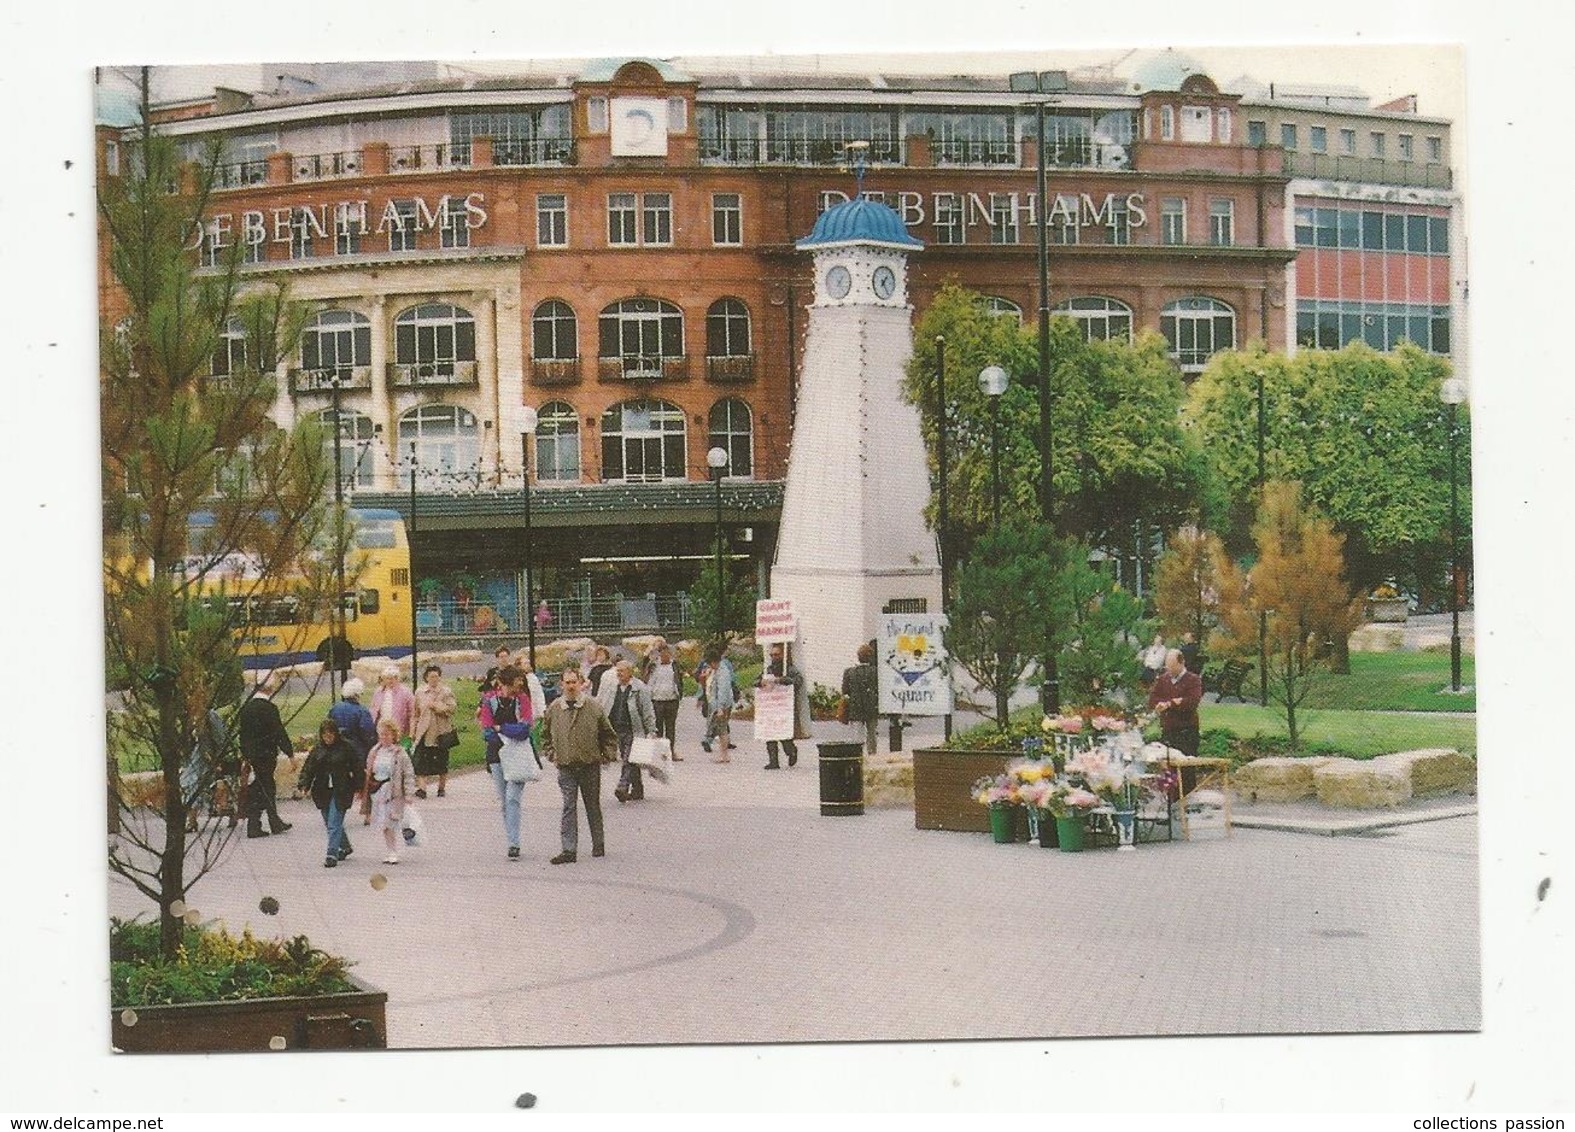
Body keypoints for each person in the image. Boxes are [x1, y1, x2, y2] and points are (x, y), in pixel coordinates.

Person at [539, 667, 618, 864]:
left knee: (592, 805)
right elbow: (545, 736)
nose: (571, 686)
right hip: (566, 766)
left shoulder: (593, 707)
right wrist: (552, 754)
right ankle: (569, 849)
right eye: (567, 682)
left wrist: (605, 755)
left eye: (574, 682)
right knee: (568, 806)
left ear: (581, 683)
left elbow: (608, 734)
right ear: (562, 684)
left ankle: (598, 843)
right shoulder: (555, 708)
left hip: (589, 764)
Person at [479, 665, 535, 860]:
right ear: (505, 683)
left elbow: (525, 729)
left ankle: (514, 843)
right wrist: (508, 730)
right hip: (497, 755)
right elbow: (487, 732)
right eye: (516, 682)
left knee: (512, 798)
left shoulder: (522, 700)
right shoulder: (489, 701)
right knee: (504, 800)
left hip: (518, 755)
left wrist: (500, 727)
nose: (520, 685)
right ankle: (512, 838)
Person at [297, 718, 363, 868]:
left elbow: (357, 767)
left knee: (334, 821)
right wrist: (304, 784)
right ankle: (345, 846)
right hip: (322, 789)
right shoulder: (318, 750)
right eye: (325, 735)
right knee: (330, 821)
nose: (328, 738)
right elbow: (309, 768)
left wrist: (359, 787)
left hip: (342, 789)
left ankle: (331, 853)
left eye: (330, 735)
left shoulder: (346, 748)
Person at [235, 672, 293, 839]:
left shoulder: (246, 708)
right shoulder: (269, 709)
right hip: (266, 755)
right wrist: (289, 753)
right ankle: (262, 823)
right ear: (268, 689)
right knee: (265, 788)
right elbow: (278, 732)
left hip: (252, 755)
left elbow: (243, 734)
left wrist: (246, 754)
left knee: (261, 787)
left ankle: (266, 822)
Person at [598, 659, 657, 802]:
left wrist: (651, 730)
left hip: (633, 729)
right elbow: (605, 704)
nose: (619, 673)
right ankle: (638, 789)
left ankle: (622, 786)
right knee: (632, 759)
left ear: (630, 672)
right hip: (616, 728)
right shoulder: (613, 687)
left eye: (622, 671)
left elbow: (647, 710)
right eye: (617, 671)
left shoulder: (639, 688)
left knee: (629, 758)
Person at [363, 717, 416, 864]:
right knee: (384, 824)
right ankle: (390, 849)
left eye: (387, 734)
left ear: (393, 735)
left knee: (390, 823)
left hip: (393, 792)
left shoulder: (400, 753)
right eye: (381, 734)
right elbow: (369, 771)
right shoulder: (374, 751)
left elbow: (409, 773)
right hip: (378, 792)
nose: (384, 737)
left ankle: (393, 851)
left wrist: (409, 793)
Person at [411, 664, 458, 799]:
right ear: (426, 677)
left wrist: (437, 706)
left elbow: (452, 708)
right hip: (424, 731)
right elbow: (415, 713)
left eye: (436, 676)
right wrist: (413, 731)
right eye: (431, 676)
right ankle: (422, 789)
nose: (434, 679)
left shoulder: (446, 691)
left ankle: (441, 788)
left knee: (441, 761)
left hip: (440, 732)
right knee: (420, 761)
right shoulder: (420, 692)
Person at [181, 706, 231, 832]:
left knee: (209, 787)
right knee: (190, 785)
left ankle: (229, 811)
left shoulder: (210, 715)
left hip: (207, 757)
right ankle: (192, 821)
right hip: (195, 757)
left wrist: (216, 758)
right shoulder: (189, 715)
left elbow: (220, 737)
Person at [1147, 648, 1204, 759]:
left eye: (1172, 666)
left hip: (1186, 731)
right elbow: (1152, 699)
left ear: (1182, 663)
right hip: (1168, 729)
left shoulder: (1193, 680)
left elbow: (1192, 701)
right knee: (1169, 769)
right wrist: (1163, 704)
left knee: (1187, 768)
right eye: (1167, 667)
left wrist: (1170, 704)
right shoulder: (1163, 680)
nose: (1170, 670)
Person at [758, 642, 803, 769]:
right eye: (772, 655)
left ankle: (791, 751)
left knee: (783, 732)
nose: (774, 657)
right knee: (770, 734)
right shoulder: (768, 669)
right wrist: (760, 682)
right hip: (770, 706)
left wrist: (782, 680)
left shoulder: (789, 668)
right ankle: (773, 761)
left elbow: (798, 681)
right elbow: (756, 681)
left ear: (782, 655)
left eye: (776, 654)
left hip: (783, 706)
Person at [643, 643, 684, 761]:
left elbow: (679, 681)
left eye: (667, 653)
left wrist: (679, 694)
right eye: (662, 653)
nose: (665, 655)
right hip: (657, 700)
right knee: (658, 727)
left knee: (670, 727)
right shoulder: (654, 666)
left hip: (672, 700)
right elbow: (649, 682)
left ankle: (671, 751)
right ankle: (660, 752)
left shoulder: (674, 666)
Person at [840, 642, 880, 757]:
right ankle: (872, 754)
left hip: (855, 707)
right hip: (872, 707)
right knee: (871, 734)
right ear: (870, 657)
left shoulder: (849, 672)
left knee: (857, 735)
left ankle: (857, 755)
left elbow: (845, 691)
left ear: (858, 657)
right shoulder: (875, 671)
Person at [328, 677, 377, 763]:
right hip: (357, 751)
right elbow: (368, 734)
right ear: (357, 694)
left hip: (337, 750)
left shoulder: (334, 709)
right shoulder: (362, 711)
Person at [703, 646, 736, 762]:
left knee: (722, 730)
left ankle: (724, 755)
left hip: (722, 705)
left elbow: (723, 690)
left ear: (713, 661)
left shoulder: (723, 672)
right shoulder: (717, 671)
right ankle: (723, 753)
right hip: (717, 704)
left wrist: (720, 707)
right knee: (720, 729)